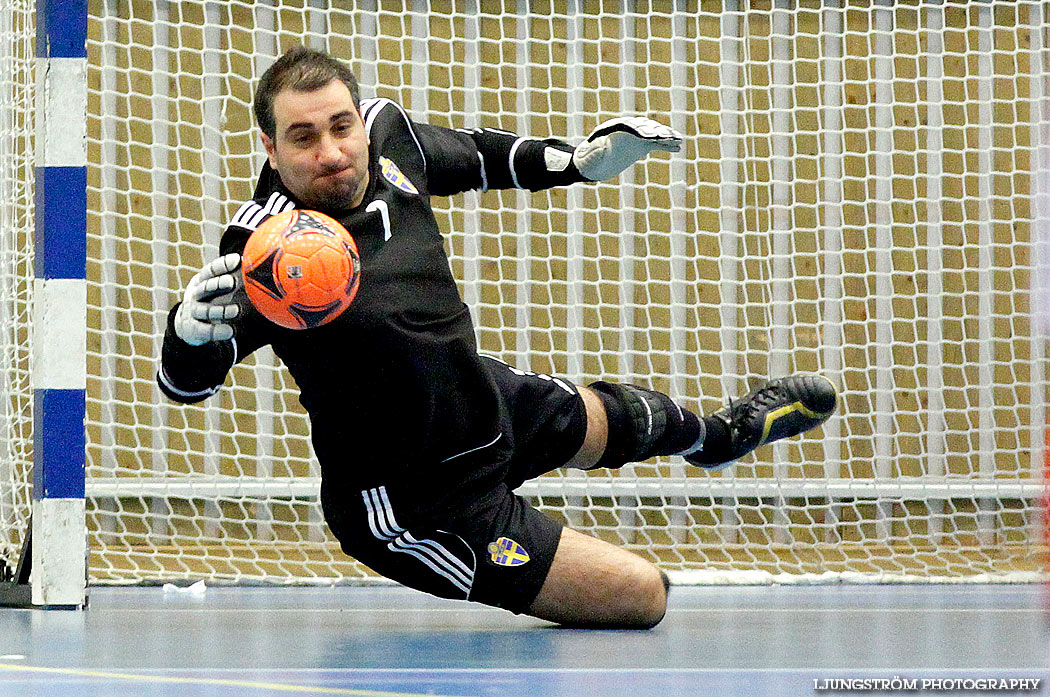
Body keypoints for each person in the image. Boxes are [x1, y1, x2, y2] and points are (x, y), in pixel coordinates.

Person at [157, 47, 837, 629]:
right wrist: (186, 333)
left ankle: (723, 439)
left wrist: (578, 161)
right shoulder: (263, 250)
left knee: (620, 416)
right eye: (303, 138)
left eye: (341, 126)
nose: (331, 152)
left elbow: (475, 156)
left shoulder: (390, 138)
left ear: (360, 122)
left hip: (483, 402)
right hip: (417, 501)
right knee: (644, 596)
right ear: (271, 149)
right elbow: (187, 381)